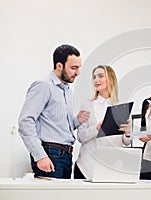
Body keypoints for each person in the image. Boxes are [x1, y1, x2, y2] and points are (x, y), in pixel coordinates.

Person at [18, 44, 90, 179]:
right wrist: (40, 156)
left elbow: (57, 125)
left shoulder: (67, 90)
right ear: (59, 66)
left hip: (66, 155)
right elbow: (25, 122)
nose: (78, 72)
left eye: (79, 67)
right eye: (73, 68)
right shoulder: (43, 86)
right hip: (50, 154)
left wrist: (76, 121)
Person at [74, 65, 132, 180]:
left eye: (100, 76)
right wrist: (97, 128)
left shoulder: (121, 106)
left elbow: (126, 142)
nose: (96, 80)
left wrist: (128, 133)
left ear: (110, 79)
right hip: (86, 166)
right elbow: (80, 137)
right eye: (94, 77)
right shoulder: (87, 105)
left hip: (111, 167)